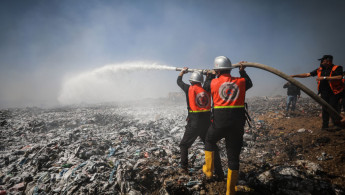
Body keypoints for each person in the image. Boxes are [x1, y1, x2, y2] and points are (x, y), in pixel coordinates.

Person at [202, 56, 252, 194]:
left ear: (217, 71)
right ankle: (230, 191)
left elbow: (205, 87)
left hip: (220, 124)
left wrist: (208, 76)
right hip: (237, 125)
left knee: (209, 140)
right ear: (230, 69)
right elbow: (249, 83)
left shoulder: (213, 82)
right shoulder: (240, 81)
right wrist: (242, 71)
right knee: (233, 157)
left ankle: (208, 171)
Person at [177, 68, 215, 174]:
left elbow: (179, 82)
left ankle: (184, 167)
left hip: (194, 122)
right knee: (209, 145)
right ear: (201, 81)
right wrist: (209, 75)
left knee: (184, 145)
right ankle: (213, 168)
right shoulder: (207, 90)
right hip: (207, 122)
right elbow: (209, 82)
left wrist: (182, 73)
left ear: (191, 80)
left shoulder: (189, 88)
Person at [291, 55, 344, 129]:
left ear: (328, 61)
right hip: (323, 92)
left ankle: (336, 124)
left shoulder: (337, 68)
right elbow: (307, 74)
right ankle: (325, 126)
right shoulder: (320, 69)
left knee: (332, 108)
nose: (321, 62)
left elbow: (340, 77)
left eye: (323, 60)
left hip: (334, 92)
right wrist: (294, 75)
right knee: (325, 109)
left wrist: (325, 78)